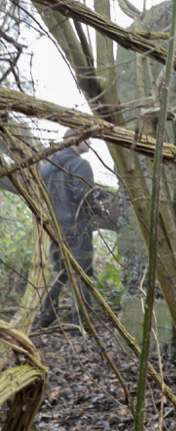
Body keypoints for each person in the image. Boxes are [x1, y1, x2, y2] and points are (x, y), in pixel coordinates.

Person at [36, 130, 100, 328]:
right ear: (77, 140)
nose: (89, 142)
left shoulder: (47, 167)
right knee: (82, 273)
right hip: (77, 227)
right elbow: (83, 197)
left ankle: (45, 317)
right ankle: (83, 322)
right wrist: (100, 208)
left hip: (54, 227)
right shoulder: (80, 164)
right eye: (87, 139)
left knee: (61, 271)